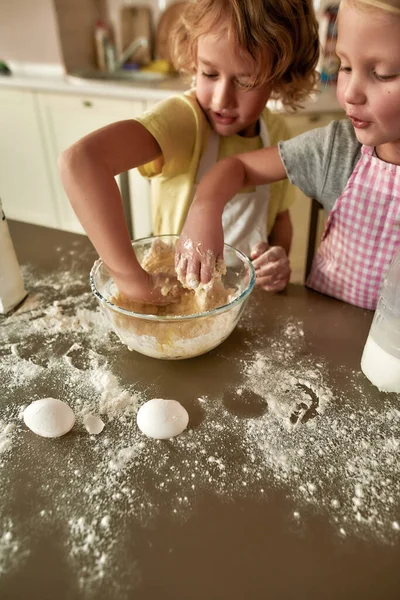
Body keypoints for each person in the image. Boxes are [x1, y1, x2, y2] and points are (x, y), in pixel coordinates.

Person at [59, 0, 319, 303]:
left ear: (280, 76)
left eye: (245, 81)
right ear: (193, 59)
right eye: (209, 74)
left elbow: (281, 218)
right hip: (175, 298)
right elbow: (80, 162)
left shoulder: (276, 134)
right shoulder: (185, 121)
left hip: (245, 304)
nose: (222, 99)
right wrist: (133, 281)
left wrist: (276, 258)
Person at [177, 0, 400, 310]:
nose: (350, 93)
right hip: (324, 331)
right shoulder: (337, 149)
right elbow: (238, 166)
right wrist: (205, 207)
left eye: (382, 73)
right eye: (345, 67)